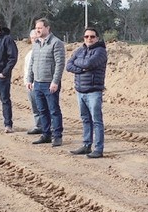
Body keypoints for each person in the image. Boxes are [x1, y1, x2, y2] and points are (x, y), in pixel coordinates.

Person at [66, 27, 108, 159]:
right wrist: (81, 69)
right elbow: (68, 65)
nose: (89, 39)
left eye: (92, 36)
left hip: (94, 91)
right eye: (86, 36)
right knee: (85, 120)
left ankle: (98, 149)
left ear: (97, 38)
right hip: (80, 91)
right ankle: (86, 145)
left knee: (96, 121)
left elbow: (89, 63)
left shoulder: (101, 51)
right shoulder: (80, 50)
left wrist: (78, 63)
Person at [27, 18, 65, 147]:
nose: (37, 30)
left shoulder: (56, 43)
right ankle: (46, 134)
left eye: (40, 28)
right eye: (36, 28)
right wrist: (30, 79)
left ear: (47, 28)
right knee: (42, 110)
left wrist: (55, 81)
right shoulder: (36, 43)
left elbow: (59, 64)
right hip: (37, 83)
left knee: (54, 110)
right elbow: (32, 63)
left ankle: (57, 136)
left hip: (50, 83)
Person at [22, 28, 43, 135]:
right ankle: (39, 126)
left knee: (45, 107)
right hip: (30, 85)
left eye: (36, 38)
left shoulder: (44, 52)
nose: (34, 40)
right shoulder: (29, 54)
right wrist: (26, 82)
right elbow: (26, 69)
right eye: (33, 38)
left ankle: (50, 127)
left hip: (42, 84)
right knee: (35, 107)